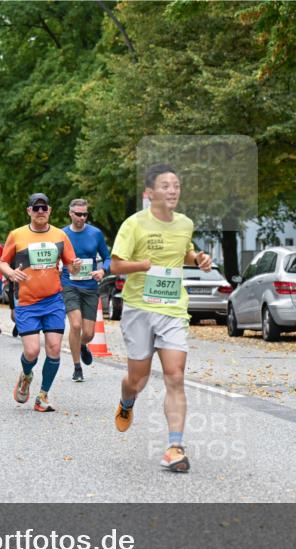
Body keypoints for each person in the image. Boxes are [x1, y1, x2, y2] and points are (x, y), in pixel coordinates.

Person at [110, 164, 212, 473]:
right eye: (165, 186)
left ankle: (174, 447)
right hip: (139, 309)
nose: (172, 190)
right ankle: (127, 401)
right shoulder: (134, 224)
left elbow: (184, 253)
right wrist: (140, 266)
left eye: (176, 185)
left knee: (175, 375)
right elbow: (116, 265)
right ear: (149, 193)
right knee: (137, 380)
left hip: (172, 308)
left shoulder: (185, 224)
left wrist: (198, 259)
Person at [0, 193, 81, 413]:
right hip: (26, 301)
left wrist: (76, 266)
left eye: (44, 208)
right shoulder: (17, 235)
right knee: (33, 351)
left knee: (54, 348)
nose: (41, 212)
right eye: (36, 208)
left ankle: (42, 396)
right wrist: (11, 273)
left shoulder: (60, 235)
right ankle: (26, 374)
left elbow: (71, 264)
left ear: (50, 210)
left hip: (53, 299)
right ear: (29, 211)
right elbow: (2, 262)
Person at [61, 198, 111, 382]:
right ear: (70, 214)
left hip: (90, 286)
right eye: (78, 214)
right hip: (70, 285)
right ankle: (77, 367)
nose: (82, 217)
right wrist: (67, 266)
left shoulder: (95, 234)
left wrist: (102, 270)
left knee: (88, 333)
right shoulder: (62, 234)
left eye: (85, 214)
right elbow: (56, 260)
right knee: (75, 325)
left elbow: (107, 257)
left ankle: (82, 345)